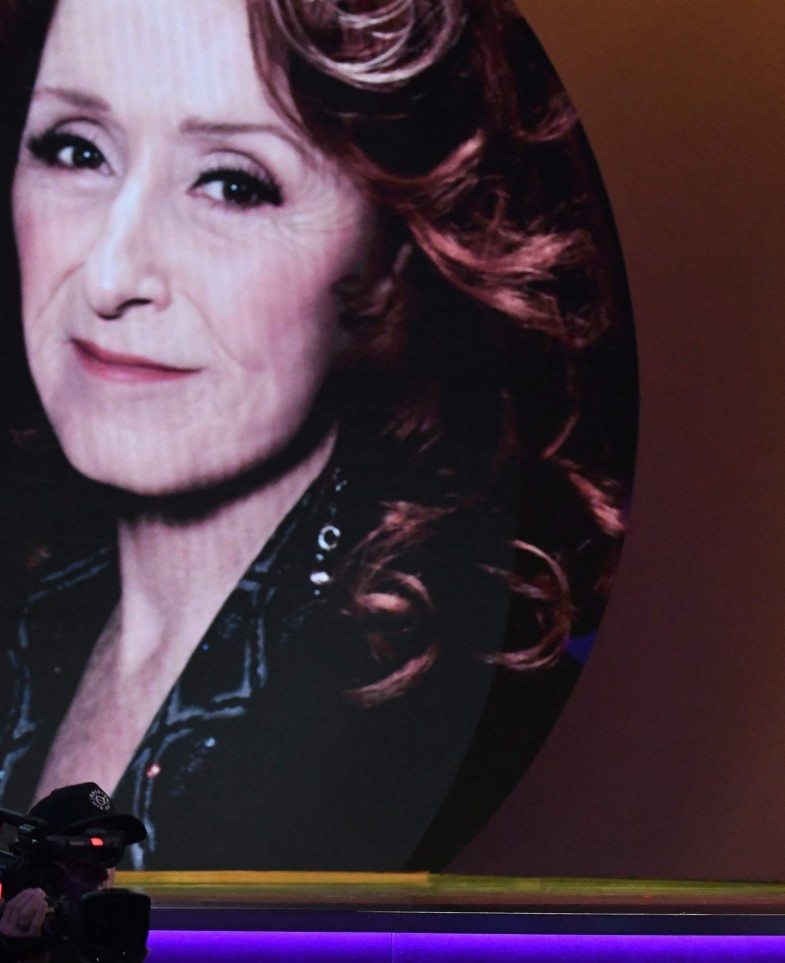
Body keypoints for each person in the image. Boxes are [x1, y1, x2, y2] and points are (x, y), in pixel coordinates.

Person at [0, 0, 634, 870]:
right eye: (76, 148)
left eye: (232, 182)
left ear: (396, 255)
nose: (111, 274)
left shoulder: (431, 722)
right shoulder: (37, 606)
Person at [0, 781, 147, 963]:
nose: (104, 874)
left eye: (113, 852)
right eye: (86, 857)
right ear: (42, 868)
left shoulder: (104, 936)